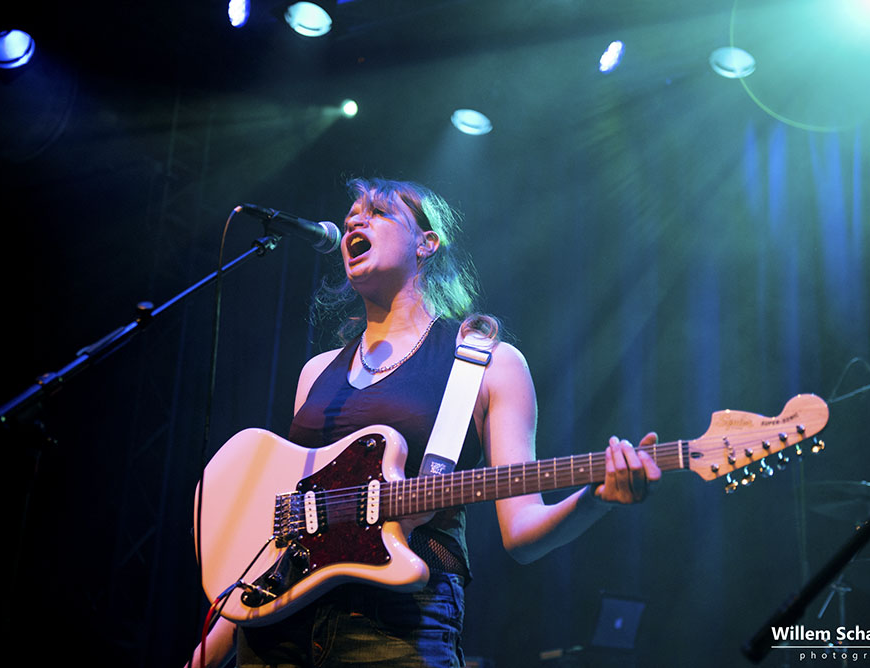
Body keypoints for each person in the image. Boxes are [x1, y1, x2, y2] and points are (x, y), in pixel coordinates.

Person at [186, 178, 661, 668]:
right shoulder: (316, 374)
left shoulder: (488, 363)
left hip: (397, 626)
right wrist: (204, 657)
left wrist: (596, 498)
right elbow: (276, 543)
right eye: (351, 215)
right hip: (274, 631)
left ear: (426, 243)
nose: (355, 220)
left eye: (377, 211)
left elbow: (522, 533)